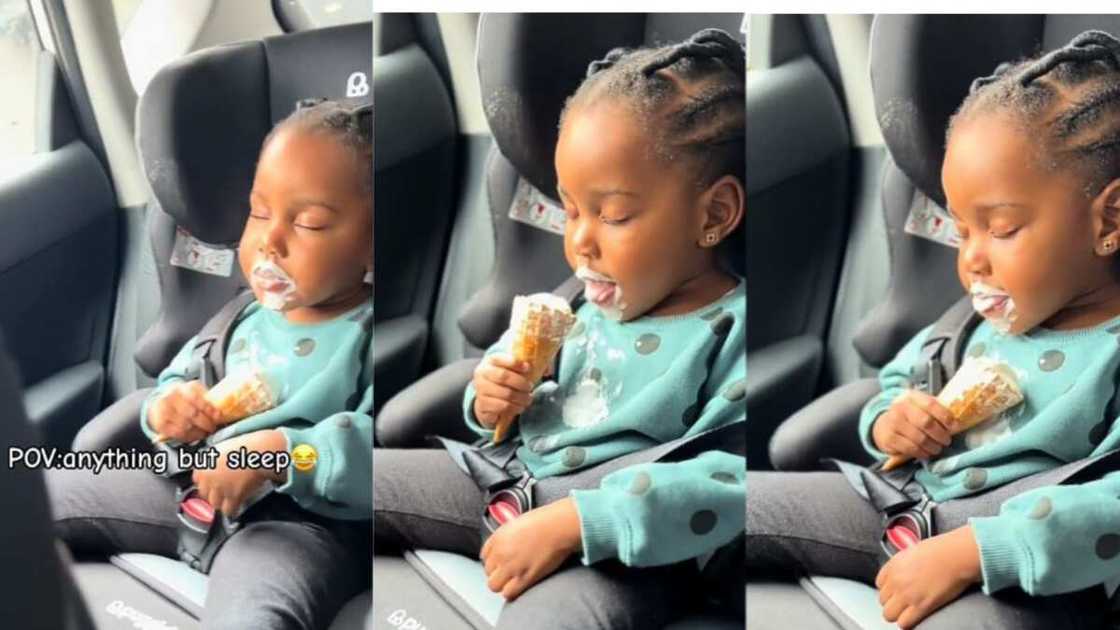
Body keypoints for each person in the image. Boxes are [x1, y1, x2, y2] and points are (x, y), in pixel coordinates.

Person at [746, 30, 1120, 630]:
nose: (970, 260)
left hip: (1020, 570)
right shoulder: (972, 323)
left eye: (999, 229)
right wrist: (890, 420)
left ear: (1110, 219)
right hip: (895, 506)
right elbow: (898, 384)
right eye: (960, 231)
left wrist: (978, 552)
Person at [374, 28, 746, 629]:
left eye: (613, 214)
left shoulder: (731, 332)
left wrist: (581, 521)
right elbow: (491, 400)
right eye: (569, 209)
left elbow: (731, 481)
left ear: (713, 214)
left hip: (616, 548)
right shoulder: (577, 302)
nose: (579, 240)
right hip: (502, 480)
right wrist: (488, 393)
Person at [46, 98, 373, 630]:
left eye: (309, 224)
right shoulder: (240, 317)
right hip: (182, 484)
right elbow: (178, 379)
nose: (271, 239)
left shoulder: (368, 337)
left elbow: (372, 459)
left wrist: (280, 454)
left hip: (293, 525)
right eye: (260, 212)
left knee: (255, 617)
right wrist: (167, 411)